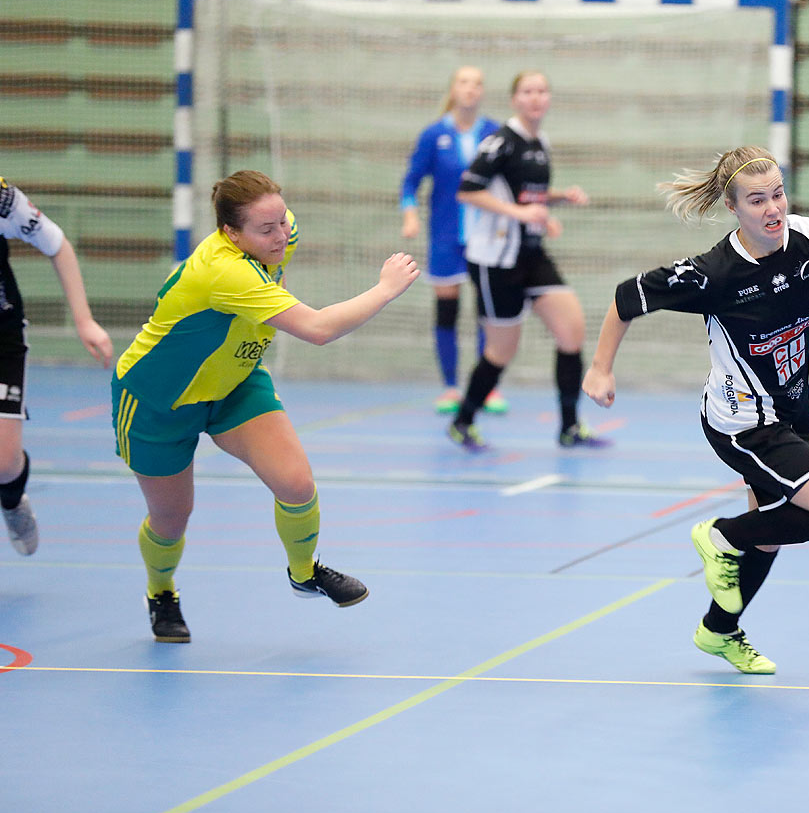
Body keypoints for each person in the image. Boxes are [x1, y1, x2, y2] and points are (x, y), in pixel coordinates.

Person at [583, 146, 809, 672]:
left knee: (772, 532)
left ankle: (719, 630)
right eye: (757, 200)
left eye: (777, 193)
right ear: (733, 208)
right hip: (743, 425)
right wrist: (600, 368)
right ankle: (719, 536)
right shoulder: (714, 272)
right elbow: (627, 296)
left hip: (792, 412)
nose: (773, 208)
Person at [112, 169, 420, 642]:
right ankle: (161, 592)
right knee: (172, 518)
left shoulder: (279, 229)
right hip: (161, 399)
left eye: (281, 221)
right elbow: (317, 329)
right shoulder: (224, 271)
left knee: (295, 483)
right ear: (230, 233)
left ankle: (304, 571)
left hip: (235, 379)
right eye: (266, 229)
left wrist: (278, 225)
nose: (281, 236)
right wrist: (384, 289)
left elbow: (283, 230)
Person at [446, 69, 609, 451]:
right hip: (495, 260)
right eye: (527, 91)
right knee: (501, 351)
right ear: (515, 99)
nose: (535, 97)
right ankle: (463, 419)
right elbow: (468, 192)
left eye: (541, 91)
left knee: (571, 329)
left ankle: (569, 427)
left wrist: (555, 202)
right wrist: (520, 215)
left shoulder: (540, 140)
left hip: (532, 254)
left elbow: (524, 194)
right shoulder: (500, 141)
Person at [0, 176, 114, 555]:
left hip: (2, 335)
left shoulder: (3, 199)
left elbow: (57, 245)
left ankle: (13, 497)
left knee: (3, 463)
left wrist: (84, 320)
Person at [399, 65, 508, 415]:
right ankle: (449, 386)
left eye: (478, 83)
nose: (471, 89)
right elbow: (410, 181)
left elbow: (510, 181)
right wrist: (410, 213)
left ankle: (485, 387)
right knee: (447, 310)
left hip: (487, 236)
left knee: (486, 311)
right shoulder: (434, 135)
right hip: (446, 236)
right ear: (453, 89)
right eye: (464, 82)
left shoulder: (495, 133)